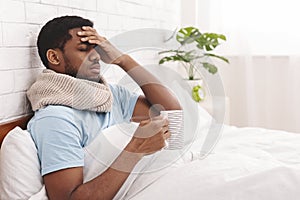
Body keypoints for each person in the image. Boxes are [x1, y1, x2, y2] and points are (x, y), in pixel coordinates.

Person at [26, 15, 181, 199]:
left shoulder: (110, 95)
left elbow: (172, 113)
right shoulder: (55, 119)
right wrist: (136, 149)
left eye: (97, 49)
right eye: (84, 49)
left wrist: (123, 60)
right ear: (54, 57)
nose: (96, 56)